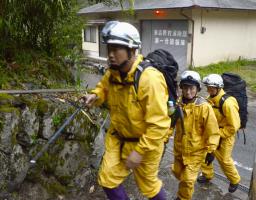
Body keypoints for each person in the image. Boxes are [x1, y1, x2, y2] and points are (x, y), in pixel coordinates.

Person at [82, 21, 172, 200]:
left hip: (146, 144)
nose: (111, 55)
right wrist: (95, 95)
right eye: (109, 49)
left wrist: (139, 152)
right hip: (118, 138)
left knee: (148, 186)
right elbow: (104, 88)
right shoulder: (113, 73)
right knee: (108, 180)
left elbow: (159, 125)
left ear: (132, 50)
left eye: (116, 49)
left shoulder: (149, 80)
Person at [171, 71, 220, 200]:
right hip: (179, 150)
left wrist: (212, 150)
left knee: (187, 180)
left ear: (197, 89)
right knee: (177, 172)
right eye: (185, 87)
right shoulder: (178, 104)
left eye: (191, 88)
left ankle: (182, 197)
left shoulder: (204, 107)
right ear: (181, 88)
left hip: (195, 152)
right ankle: (183, 190)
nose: (188, 92)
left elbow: (213, 130)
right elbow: (170, 123)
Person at [197, 74, 241, 193]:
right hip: (212, 133)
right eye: (208, 87)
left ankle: (234, 179)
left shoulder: (228, 103)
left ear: (219, 87)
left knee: (224, 160)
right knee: (205, 155)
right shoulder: (210, 98)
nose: (208, 89)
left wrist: (218, 134)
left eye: (211, 87)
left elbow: (234, 126)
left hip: (225, 136)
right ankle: (207, 175)